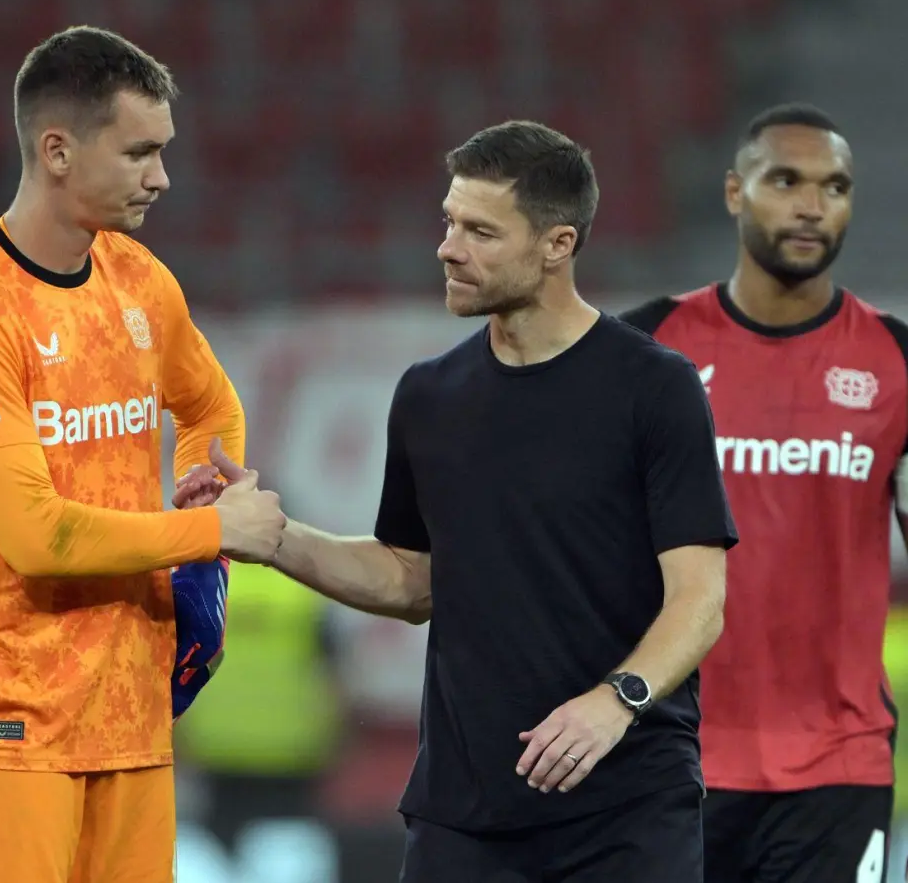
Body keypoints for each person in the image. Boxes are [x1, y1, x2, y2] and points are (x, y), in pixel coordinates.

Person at [179, 120, 738, 882]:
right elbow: (411, 580)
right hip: (465, 813)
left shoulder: (654, 390)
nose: (448, 247)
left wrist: (615, 701)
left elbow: (700, 601)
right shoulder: (430, 396)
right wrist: (273, 538)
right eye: (449, 222)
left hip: (627, 807)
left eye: (480, 231)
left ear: (557, 245)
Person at [0, 25, 285, 883]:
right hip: (2, 730)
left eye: (164, 151)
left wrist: (199, 502)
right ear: (57, 150)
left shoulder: (141, 281)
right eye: (140, 151)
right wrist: (213, 533)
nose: (162, 176)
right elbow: (34, 536)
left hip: (130, 721)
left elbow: (210, 404)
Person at [621, 103, 904, 883]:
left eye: (835, 186)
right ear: (734, 192)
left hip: (838, 766)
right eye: (785, 180)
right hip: (667, 757)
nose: (813, 205)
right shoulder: (645, 347)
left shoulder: (897, 363)